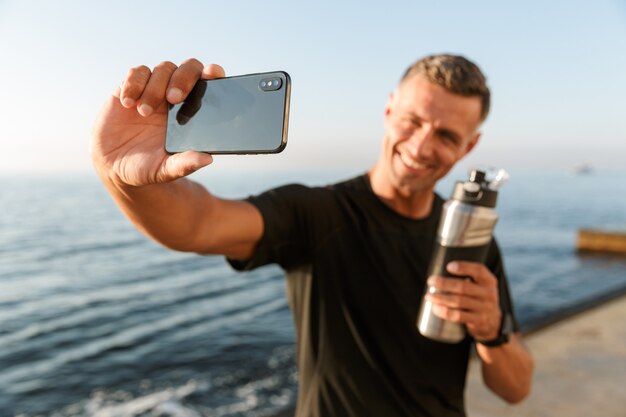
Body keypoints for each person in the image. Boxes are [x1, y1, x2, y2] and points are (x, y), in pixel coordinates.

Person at [92, 54, 533, 417]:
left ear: (469, 147)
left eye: (446, 135)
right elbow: (198, 224)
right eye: (413, 121)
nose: (420, 146)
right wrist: (123, 179)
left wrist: (492, 329)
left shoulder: (470, 240)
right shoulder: (316, 213)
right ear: (389, 111)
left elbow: (515, 388)